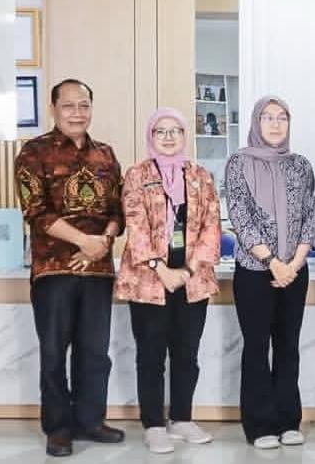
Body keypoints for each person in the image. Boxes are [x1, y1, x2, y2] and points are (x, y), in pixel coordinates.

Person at [14, 79, 125, 458]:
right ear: (53, 109)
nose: (77, 113)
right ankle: (59, 428)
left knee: (95, 352)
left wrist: (103, 242)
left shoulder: (106, 154)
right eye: (69, 106)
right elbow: (36, 211)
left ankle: (90, 421)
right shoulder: (34, 152)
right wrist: (83, 241)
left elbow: (118, 211)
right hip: (54, 269)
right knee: (54, 352)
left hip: (98, 270)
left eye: (84, 105)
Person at [115, 107, 221, 454]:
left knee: (187, 352)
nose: (168, 137)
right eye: (160, 131)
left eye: (175, 130)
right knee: (151, 354)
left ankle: (182, 419)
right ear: (151, 136)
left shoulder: (201, 176)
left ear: (185, 135)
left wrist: (186, 271)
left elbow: (212, 226)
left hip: (193, 279)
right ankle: (154, 425)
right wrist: (162, 270)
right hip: (148, 279)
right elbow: (135, 225)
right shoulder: (137, 174)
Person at [225, 96, 315, 450]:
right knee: (257, 347)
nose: (276, 124)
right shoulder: (239, 162)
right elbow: (240, 217)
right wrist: (273, 262)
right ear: (256, 122)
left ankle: (288, 421)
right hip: (254, 271)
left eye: (282, 118)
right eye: (268, 117)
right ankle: (259, 425)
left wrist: (294, 263)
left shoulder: (301, 165)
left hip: (295, 271)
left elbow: (310, 216)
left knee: (288, 346)